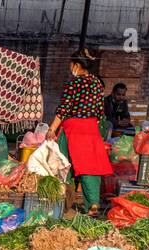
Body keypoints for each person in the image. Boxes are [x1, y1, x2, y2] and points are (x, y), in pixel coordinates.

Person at [48, 50, 113, 216]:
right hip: (91, 130)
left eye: (71, 64)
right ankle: (93, 204)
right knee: (90, 168)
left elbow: (63, 109)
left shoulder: (74, 83)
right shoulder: (98, 84)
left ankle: (62, 205)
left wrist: (51, 129)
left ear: (77, 65)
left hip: (73, 130)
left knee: (65, 165)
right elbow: (100, 112)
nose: (70, 67)